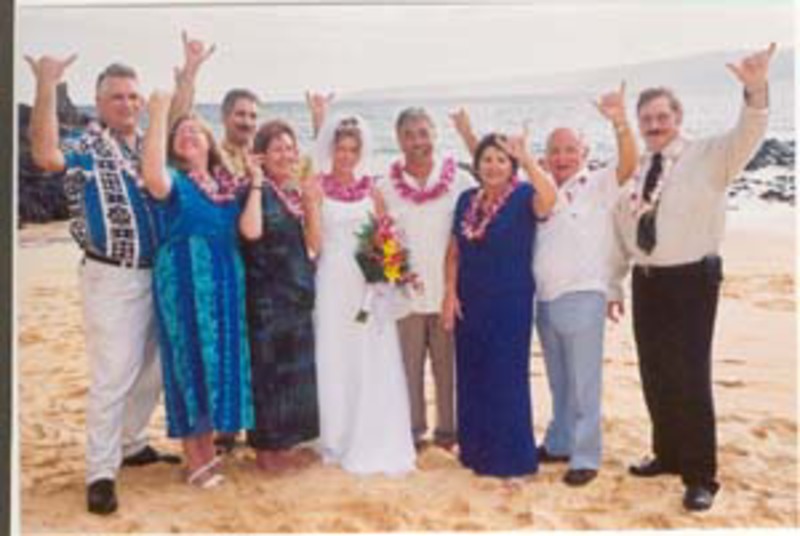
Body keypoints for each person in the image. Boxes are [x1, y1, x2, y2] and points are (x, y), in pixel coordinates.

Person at [24, 32, 211, 515]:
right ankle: (101, 472)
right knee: (114, 375)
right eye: (117, 98)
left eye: (133, 96)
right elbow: (45, 155)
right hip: (113, 277)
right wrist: (46, 84)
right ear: (98, 102)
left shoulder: (146, 145)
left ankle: (131, 444)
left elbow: (176, 117)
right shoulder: (87, 142)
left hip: (159, 275)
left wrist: (189, 73)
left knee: (151, 369)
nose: (128, 105)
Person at [608, 44, 774, 511]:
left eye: (662, 117)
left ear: (678, 117)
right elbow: (622, 230)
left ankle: (701, 475)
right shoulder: (638, 171)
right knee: (655, 372)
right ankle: (667, 454)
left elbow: (751, 131)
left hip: (692, 281)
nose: (655, 126)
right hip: (648, 280)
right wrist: (614, 281)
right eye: (647, 120)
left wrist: (755, 87)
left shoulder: (711, 155)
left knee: (690, 377)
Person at [141, 90, 263, 488]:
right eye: (181, 133)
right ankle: (193, 459)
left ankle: (208, 453)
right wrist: (160, 114)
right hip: (184, 280)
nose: (188, 135)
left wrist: (257, 181)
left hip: (225, 280)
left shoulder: (227, 185)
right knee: (189, 363)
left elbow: (252, 226)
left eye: (196, 130)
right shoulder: (172, 182)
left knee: (217, 364)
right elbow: (152, 171)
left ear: (210, 142)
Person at [529, 84, 638, 487]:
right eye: (555, 151)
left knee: (584, 382)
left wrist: (621, 123)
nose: (562, 157)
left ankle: (586, 455)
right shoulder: (540, 190)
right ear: (544, 157)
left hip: (584, 294)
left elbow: (629, 164)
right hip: (546, 298)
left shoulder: (597, 184)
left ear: (584, 154)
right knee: (559, 380)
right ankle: (559, 443)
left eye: (569, 150)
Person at [442, 130, 556, 480]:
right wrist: (450, 293)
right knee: (472, 375)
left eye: (501, 160)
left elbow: (550, 199)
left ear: (512, 166)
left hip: (509, 301)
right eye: (487, 160)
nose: (493, 166)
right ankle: (475, 451)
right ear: (476, 165)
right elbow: (453, 251)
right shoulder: (465, 200)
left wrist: (528, 159)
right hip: (469, 301)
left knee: (506, 377)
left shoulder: (524, 196)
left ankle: (510, 460)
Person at [311, 112, 416, 475]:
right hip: (332, 281)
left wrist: (390, 270)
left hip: (365, 284)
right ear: (331, 149)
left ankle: (371, 432)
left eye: (353, 149)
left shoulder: (372, 190)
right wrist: (310, 204)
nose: (346, 156)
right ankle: (336, 437)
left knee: (370, 353)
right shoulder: (316, 186)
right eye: (341, 149)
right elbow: (313, 244)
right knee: (335, 354)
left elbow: (384, 235)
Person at [375, 107, 475, 451]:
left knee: (449, 367)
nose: (418, 141)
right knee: (409, 367)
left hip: (450, 293)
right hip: (407, 296)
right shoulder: (385, 187)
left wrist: (469, 132)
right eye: (410, 135)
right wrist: (395, 273)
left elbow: (480, 218)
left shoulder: (460, 181)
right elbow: (378, 238)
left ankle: (449, 432)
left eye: (423, 133)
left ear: (435, 135)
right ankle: (413, 431)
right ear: (399, 140)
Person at [242, 119, 321, 473]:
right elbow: (252, 232)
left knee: (293, 377)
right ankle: (266, 452)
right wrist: (256, 182)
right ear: (261, 155)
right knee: (269, 377)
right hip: (267, 300)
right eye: (277, 149)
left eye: (290, 148)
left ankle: (284, 447)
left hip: (296, 298)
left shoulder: (292, 194)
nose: (286, 155)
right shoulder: (253, 191)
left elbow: (313, 247)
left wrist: (311, 202)